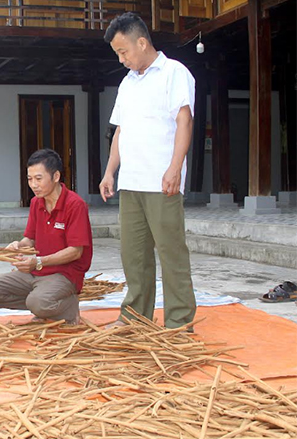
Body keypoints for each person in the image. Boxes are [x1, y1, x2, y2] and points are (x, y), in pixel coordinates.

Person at [99, 12, 197, 329]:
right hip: (131, 183)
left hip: (162, 181)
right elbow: (120, 132)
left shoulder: (174, 73)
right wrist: (110, 171)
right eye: (117, 53)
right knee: (134, 256)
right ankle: (134, 318)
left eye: (123, 51)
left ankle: (179, 323)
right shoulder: (128, 83)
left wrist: (175, 167)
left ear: (142, 42)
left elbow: (184, 120)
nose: (121, 59)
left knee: (172, 256)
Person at [0, 149, 93, 324]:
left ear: (56, 176)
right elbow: (30, 239)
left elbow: (75, 251)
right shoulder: (36, 202)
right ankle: (42, 303)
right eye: (30, 179)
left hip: (63, 274)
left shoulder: (75, 205)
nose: (33, 184)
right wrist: (19, 245)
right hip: (35, 272)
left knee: (37, 302)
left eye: (39, 179)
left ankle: (67, 306)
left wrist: (39, 261)